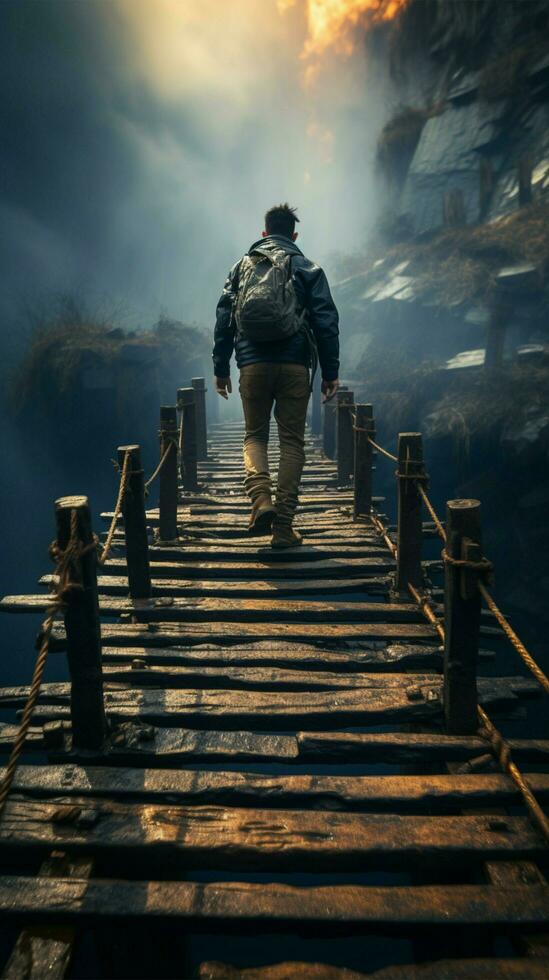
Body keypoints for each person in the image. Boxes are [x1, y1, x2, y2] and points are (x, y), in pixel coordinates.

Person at [212, 203, 340, 549]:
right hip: (295, 366)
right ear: (294, 235)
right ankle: (283, 528)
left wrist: (220, 367)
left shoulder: (242, 266)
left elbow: (224, 317)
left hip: (251, 366)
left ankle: (260, 501)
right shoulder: (306, 267)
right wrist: (331, 372)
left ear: (264, 233)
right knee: (292, 443)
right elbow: (326, 321)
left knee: (254, 437)